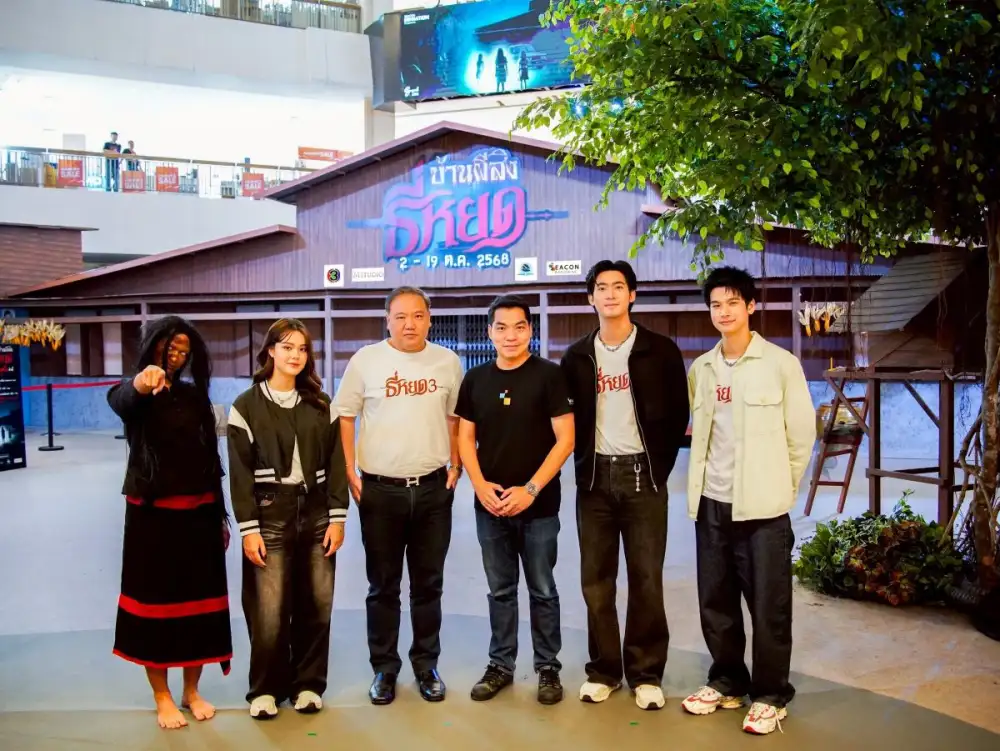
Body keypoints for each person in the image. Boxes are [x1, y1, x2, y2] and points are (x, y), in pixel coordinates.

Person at [681, 266, 815, 735]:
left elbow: (801, 436)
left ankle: (771, 695)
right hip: (712, 504)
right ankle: (727, 682)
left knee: (768, 605)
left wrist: (781, 488)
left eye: (732, 303)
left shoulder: (780, 364)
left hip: (763, 509)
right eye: (715, 304)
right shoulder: (702, 369)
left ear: (751, 306)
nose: (724, 312)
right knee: (715, 601)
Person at [560, 260, 689, 710]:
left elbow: (678, 415)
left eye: (619, 287)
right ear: (590, 298)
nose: (610, 294)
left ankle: (646, 673)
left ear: (632, 295)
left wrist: (658, 468)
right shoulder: (576, 356)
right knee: (596, 582)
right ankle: (604, 671)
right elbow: (567, 419)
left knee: (646, 578)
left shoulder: (660, 350)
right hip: (594, 479)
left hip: (643, 477)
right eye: (602, 287)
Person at [334, 287, 464, 706]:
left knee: (428, 586)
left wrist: (457, 464)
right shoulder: (365, 361)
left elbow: (456, 418)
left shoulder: (447, 362)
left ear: (430, 319)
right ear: (387, 319)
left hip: (432, 490)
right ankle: (384, 669)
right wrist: (349, 469)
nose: (410, 324)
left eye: (418, 315)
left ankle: (426, 666)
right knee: (383, 586)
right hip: (380, 491)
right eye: (401, 316)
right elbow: (345, 416)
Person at [107, 316, 231, 731]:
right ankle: (161, 695)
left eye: (183, 350)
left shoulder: (195, 396)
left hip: (200, 515)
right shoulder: (136, 391)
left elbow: (212, 460)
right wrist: (143, 382)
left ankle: (191, 690)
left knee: (200, 606)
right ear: (153, 346)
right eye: (169, 347)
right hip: (152, 520)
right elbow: (122, 400)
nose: (176, 355)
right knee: (156, 607)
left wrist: (220, 516)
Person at [227, 318, 349, 720]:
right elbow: (240, 473)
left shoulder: (321, 404)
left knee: (317, 602)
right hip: (269, 513)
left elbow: (337, 463)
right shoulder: (246, 406)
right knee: (268, 608)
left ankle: (309, 685)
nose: (296, 355)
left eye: (302, 348)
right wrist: (249, 528)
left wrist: (337, 518)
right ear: (271, 351)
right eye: (287, 347)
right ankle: (265, 689)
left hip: (316, 513)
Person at [456, 295, 575, 705]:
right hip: (490, 506)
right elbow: (465, 438)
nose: (510, 335)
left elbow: (565, 440)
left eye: (519, 327)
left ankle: (548, 668)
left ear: (530, 330)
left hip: (538, 506)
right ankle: (501, 665)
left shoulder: (550, 376)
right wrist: (479, 486)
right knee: (500, 590)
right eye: (502, 327)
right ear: (490, 332)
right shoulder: (475, 379)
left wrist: (531, 489)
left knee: (542, 589)